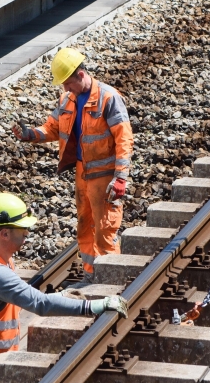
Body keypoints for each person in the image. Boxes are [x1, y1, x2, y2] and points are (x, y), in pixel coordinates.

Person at [0, 192, 129, 382]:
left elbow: (28, 296)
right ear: (5, 233)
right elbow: (40, 304)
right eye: (23, 228)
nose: (27, 233)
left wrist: (62, 296)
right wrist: (94, 306)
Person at [10, 48, 133, 283]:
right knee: (84, 226)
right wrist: (29, 134)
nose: (65, 89)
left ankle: (111, 281)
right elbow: (52, 128)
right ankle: (90, 274)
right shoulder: (67, 99)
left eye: (68, 83)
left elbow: (124, 138)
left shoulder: (108, 98)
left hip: (105, 177)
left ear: (81, 74)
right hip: (82, 174)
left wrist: (120, 177)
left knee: (105, 231)